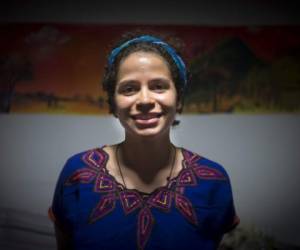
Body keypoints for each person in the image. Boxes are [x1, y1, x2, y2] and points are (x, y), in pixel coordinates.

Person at [49, 32, 240, 250]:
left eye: (159, 86)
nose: (145, 100)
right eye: (129, 88)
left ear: (178, 99)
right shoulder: (78, 173)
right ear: (113, 103)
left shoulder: (213, 180)